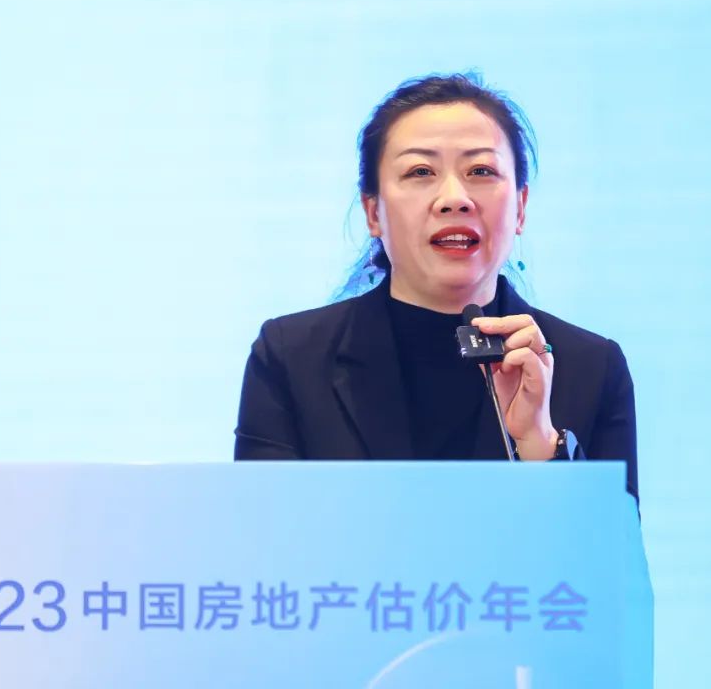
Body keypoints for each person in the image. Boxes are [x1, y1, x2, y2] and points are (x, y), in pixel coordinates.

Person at [234, 74, 638, 502]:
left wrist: (539, 444)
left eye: (481, 171)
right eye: (420, 171)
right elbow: (263, 534)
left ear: (520, 208)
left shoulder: (591, 367)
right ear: (373, 213)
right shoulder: (291, 358)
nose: (454, 198)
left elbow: (614, 546)